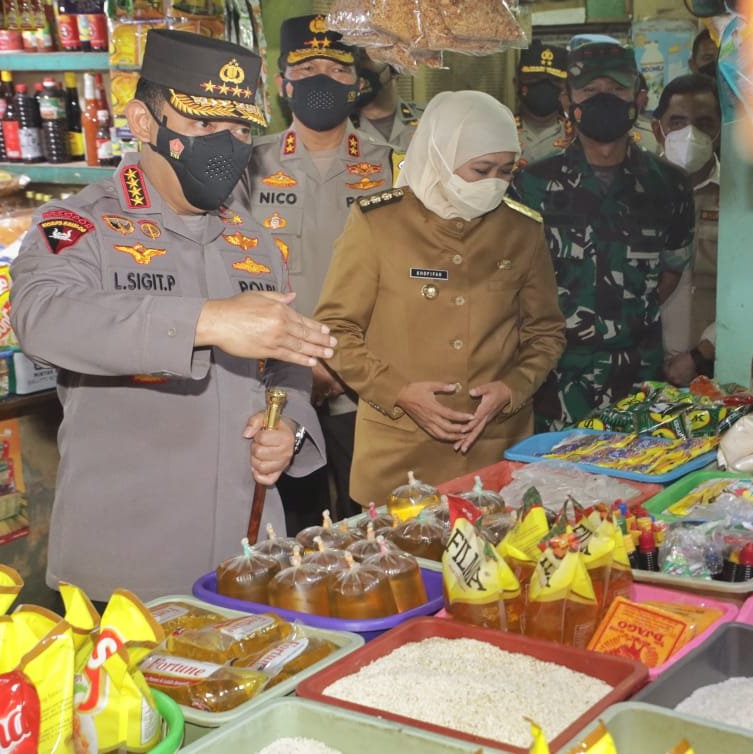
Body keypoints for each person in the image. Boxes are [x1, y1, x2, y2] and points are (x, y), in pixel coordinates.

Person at [10, 30, 334, 600]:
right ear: (142, 122)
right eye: (204, 125)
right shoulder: (81, 227)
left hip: (253, 552)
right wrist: (205, 322)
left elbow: (289, 369)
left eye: (239, 129)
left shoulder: (255, 243)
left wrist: (289, 427)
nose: (226, 144)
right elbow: (43, 316)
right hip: (128, 569)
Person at [315, 90, 566, 499]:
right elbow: (336, 329)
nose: (494, 184)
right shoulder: (378, 223)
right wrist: (397, 393)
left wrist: (513, 387)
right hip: (397, 454)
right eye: (481, 169)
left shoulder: (522, 229)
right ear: (439, 155)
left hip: (493, 451)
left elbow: (546, 332)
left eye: (506, 171)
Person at [237, 14, 382, 523]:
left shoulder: (394, 167)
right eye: (307, 66)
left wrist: (341, 369)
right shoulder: (246, 167)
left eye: (337, 68)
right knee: (293, 530)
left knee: (374, 526)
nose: (322, 78)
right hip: (273, 390)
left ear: (358, 82)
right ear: (282, 83)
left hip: (366, 389)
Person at [511, 39, 696, 431]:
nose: (604, 100)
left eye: (616, 90)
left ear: (640, 96)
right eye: (590, 91)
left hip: (638, 378)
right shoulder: (530, 185)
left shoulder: (670, 186)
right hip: (554, 378)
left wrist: (620, 314)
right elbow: (511, 281)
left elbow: (670, 272)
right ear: (567, 99)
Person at [653, 73, 721, 385]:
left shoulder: (741, 200)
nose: (691, 133)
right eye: (678, 122)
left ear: (720, 130)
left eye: (704, 123)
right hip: (638, 361)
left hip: (711, 367)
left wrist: (701, 353)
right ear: (658, 128)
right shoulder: (633, 192)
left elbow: (751, 288)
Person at [351, 51, 421, 182]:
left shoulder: (430, 120)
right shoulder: (339, 131)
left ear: (395, 65)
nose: (359, 66)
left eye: (366, 57)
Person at [515, 39, 570, 168]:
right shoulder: (499, 131)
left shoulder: (577, 137)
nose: (544, 86)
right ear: (516, 83)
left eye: (554, 81)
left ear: (566, 89)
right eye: (535, 79)